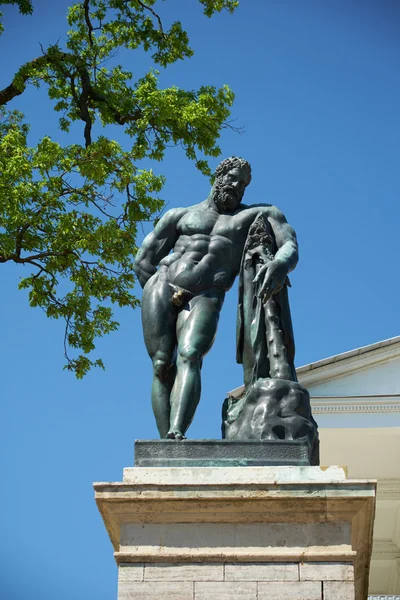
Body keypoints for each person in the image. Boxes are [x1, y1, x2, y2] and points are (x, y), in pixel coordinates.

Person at [133, 157, 298, 439]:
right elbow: (143, 260)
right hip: (162, 285)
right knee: (161, 365)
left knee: (190, 354)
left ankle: (176, 431)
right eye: (233, 178)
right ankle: (165, 444)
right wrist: (158, 287)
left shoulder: (257, 214)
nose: (238, 187)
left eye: (243, 184)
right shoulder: (180, 215)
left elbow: (289, 245)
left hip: (207, 294)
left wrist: (279, 264)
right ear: (218, 176)